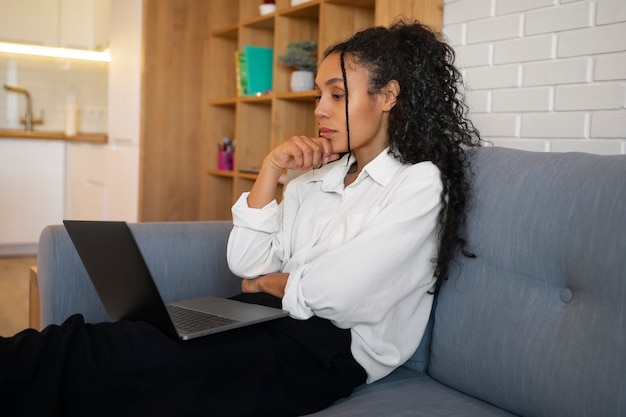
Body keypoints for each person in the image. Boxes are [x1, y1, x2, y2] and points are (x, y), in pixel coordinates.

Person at [0, 19, 480, 417]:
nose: (320, 110)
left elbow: (340, 298)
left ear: (388, 96)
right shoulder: (318, 178)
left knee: (123, 361)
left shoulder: (418, 184)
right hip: (262, 316)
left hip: (323, 352)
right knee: (98, 340)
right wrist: (271, 172)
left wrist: (269, 286)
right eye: (319, 95)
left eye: (336, 95)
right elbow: (247, 263)